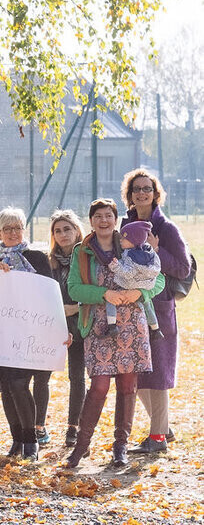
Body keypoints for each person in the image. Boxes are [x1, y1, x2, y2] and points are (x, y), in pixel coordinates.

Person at [66, 198, 165, 468]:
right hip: (100, 324)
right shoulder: (82, 251)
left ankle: (120, 446)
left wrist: (140, 292)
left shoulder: (132, 243)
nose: (104, 221)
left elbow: (159, 278)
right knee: (98, 386)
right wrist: (103, 293)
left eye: (108, 215)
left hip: (132, 323)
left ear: (115, 218)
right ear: (91, 220)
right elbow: (74, 289)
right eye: (98, 216)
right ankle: (80, 447)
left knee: (127, 386)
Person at [119, 168, 191, 454]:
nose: (142, 193)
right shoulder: (124, 225)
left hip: (158, 309)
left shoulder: (167, 228)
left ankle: (157, 437)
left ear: (155, 193)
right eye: (136, 188)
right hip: (129, 308)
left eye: (147, 188)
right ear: (130, 194)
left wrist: (156, 250)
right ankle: (163, 426)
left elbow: (183, 268)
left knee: (158, 372)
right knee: (137, 372)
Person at [0, 207, 54, 461]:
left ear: (24, 229)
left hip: (30, 333)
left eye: (17, 227)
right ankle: (17, 438)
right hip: (0, 335)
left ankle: (31, 440)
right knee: (7, 386)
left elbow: (49, 296)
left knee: (21, 384)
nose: (12, 232)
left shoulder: (37, 258)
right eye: (7, 228)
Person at [48, 209, 85, 447]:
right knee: (42, 377)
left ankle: (74, 426)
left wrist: (76, 308)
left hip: (82, 324)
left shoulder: (87, 256)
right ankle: (38, 427)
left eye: (67, 229)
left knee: (78, 377)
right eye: (57, 231)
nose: (63, 234)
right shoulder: (49, 261)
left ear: (76, 230)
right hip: (55, 325)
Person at [106, 222, 161, 337]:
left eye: (124, 238)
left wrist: (115, 266)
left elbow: (128, 273)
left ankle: (111, 325)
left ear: (134, 240)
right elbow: (156, 269)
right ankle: (156, 329)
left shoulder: (132, 255)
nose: (120, 240)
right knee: (147, 304)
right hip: (145, 284)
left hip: (130, 284)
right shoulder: (149, 251)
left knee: (111, 299)